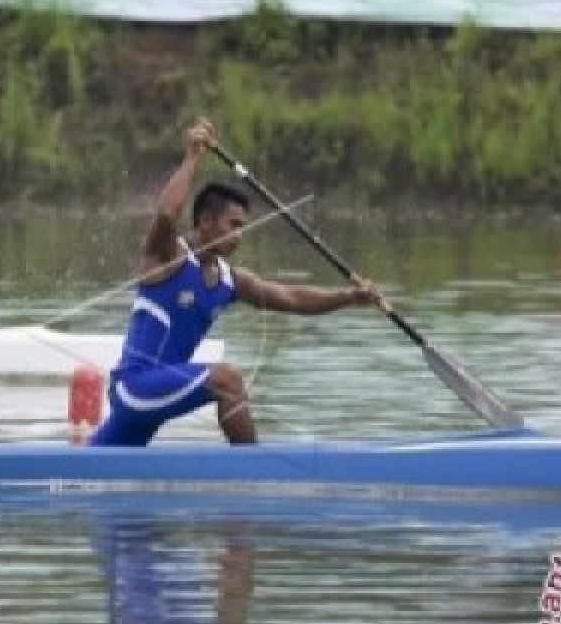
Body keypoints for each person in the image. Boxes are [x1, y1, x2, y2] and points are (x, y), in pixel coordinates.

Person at [89, 118, 381, 446]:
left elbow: (293, 298)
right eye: (233, 225)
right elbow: (168, 214)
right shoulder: (165, 257)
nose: (239, 235)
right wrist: (192, 157)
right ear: (206, 222)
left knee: (80, 471)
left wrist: (348, 297)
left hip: (157, 396)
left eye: (244, 226)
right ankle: (254, 471)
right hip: (134, 389)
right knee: (227, 379)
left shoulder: (231, 281)